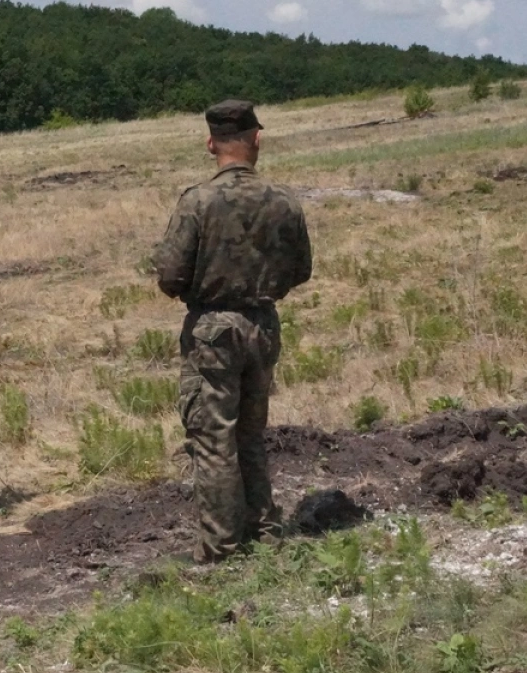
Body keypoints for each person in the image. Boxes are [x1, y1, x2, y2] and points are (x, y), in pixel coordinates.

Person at [152, 100, 312, 563]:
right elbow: (301, 270)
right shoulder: (283, 201)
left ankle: (222, 547)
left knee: (213, 437)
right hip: (263, 326)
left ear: (210, 143)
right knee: (251, 434)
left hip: (213, 332)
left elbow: (169, 276)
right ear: (256, 139)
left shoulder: (198, 201)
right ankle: (262, 530)